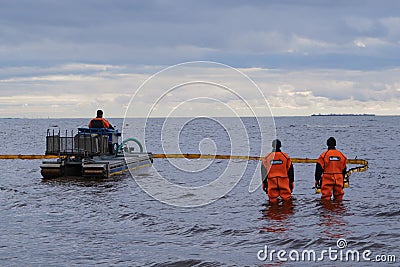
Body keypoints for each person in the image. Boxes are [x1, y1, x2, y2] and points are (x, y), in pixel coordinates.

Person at [315, 137, 347, 201]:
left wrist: (317, 180)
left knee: (326, 197)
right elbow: (344, 169)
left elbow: (319, 169)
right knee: (339, 197)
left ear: (327, 144)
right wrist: (342, 179)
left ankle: (327, 208)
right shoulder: (341, 155)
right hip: (339, 178)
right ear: (335, 144)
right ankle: (338, 209)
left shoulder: (324, 155)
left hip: (327, 178)